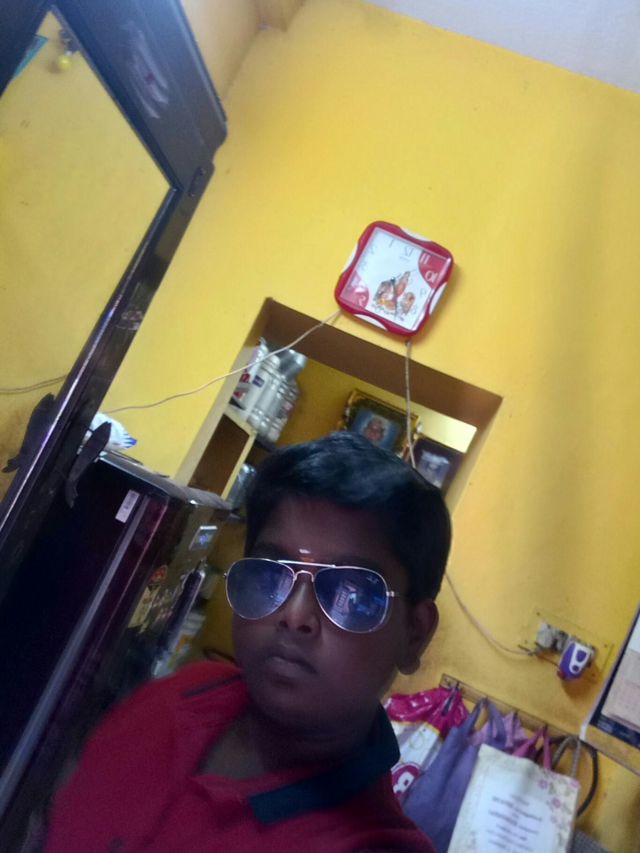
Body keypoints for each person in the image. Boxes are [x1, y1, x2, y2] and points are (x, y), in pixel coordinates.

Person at [45, 431, 451, 853]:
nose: (294, 615)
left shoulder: (370, 844)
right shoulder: (184, 693)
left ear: (414, 634)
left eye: (351, 592)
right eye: (271, 573)